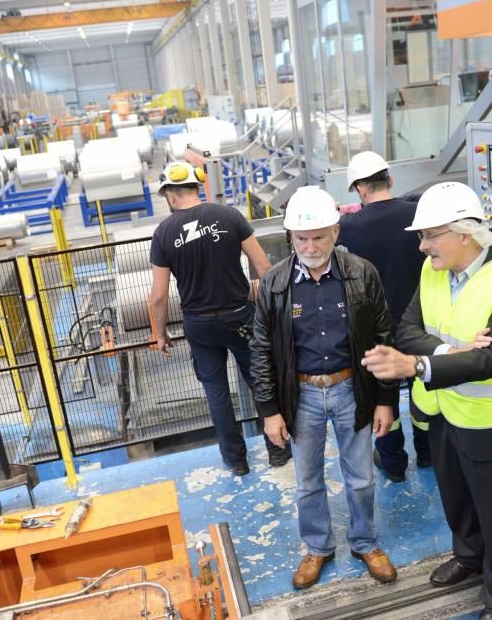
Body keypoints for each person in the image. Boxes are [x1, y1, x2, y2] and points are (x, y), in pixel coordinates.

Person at [361, 181, 492, 620]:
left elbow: (491, 360)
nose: (423, 246)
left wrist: (418, 366)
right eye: (422, 236)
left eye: (430, 235)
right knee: (456, 498)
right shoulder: (433, 271)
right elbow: (406, 329)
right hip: (444, 412)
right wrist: (450, 351)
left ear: (466, 233)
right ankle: (468, 558)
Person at [339, 152, 492, 484]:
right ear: (389, 179)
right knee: (424, 393)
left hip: (378, 330)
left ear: (359, 188)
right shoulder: (415, 213)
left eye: (429, 237)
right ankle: (427, 455)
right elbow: (476, 238)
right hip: (425, 323)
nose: (424, 245)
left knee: (385, 400)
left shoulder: (349, 226)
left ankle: (392, 462)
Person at [251, 186, 399, 590]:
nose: (310, 246)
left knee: (362, 476)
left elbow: (385, 336)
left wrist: (386, 400)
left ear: (336, 232)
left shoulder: (361, 273)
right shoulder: (276, 284)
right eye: (302, 238)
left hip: (352, 389)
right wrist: (269, 410)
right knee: (307, 481)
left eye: (319, 236)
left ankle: (365, 542)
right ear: (291, 239)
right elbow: (261, 349)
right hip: (301, 398)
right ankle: (317, 547)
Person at [149, 161, 291, 476]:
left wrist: (159, 334)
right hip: (240, 316)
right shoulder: (228, 216)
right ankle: (278, 451)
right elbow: (264, 267)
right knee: (260, 381)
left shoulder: (164, 233)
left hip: (199, 325)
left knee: (216, 391)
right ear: (196, 187)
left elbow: (158, 296)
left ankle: (236, 461)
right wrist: (272, 310)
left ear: (171, 194)